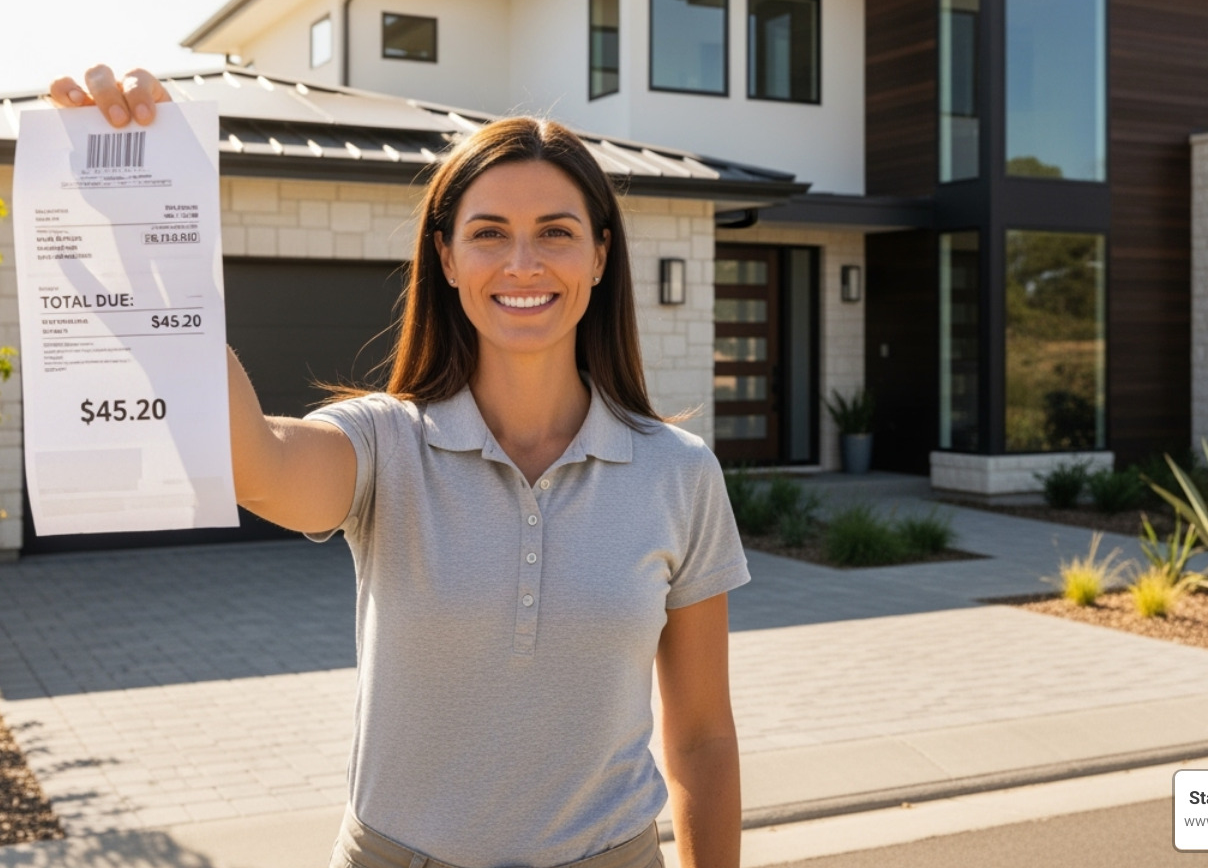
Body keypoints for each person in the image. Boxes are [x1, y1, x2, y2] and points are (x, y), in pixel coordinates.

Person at [50, 67, 750, 868]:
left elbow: (701, 737)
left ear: (599, 255)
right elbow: (258, 466)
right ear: (447, 259)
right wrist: (153, 222)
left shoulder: (678, 473)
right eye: (489, 233)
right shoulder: (385, 444)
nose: (522, 261)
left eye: (556, 231)